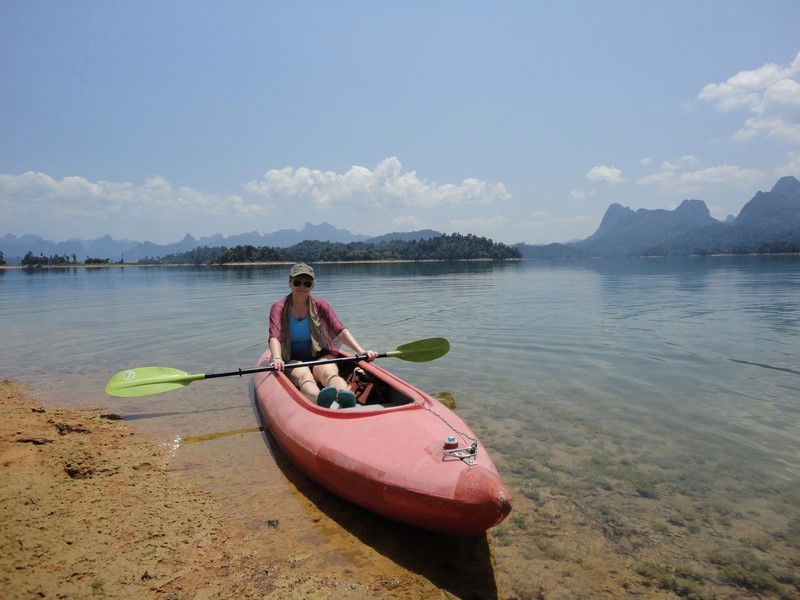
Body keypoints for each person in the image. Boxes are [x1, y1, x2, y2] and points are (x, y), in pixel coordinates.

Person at [268, 263, 378, 408]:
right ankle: (319, 398)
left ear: (312, 285)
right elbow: (275, 335)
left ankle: (346, 395)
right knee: (305, 376)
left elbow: (339, 330)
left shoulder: (320, 305)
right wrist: (277, 357)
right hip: (291, 358)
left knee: (330, 373)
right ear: (290, 283)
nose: (302, 286)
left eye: (307, 283)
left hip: (319, 355)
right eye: (297, 282)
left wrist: (360, 351)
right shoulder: (278, 307)